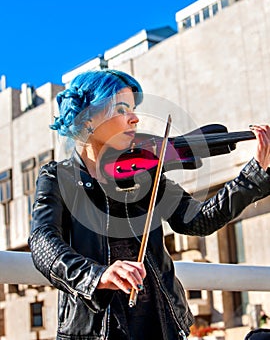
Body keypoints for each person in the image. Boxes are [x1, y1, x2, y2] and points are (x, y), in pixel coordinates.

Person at [28, 69, 270, 340]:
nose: (135, 118)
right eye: (122, 109)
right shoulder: (58, 177)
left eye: (133, 109)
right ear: (87, 120)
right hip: (95, 332)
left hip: (161, 325)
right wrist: (97, 276)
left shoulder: (143, 174)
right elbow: (42, 240)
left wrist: (255, 173)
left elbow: (199, 219)